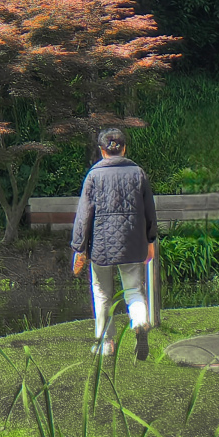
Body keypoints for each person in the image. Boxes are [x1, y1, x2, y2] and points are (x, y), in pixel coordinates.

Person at [70, 127, 158, 360]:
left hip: (101, 244)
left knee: (101, 293)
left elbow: (84, 214)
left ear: (102, 151)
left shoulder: (93, 175)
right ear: (124, 148)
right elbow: (150, 209)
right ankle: (139, 322)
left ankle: (105, 343)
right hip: (133, 243)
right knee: (133, 290)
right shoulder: (138, 173)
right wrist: (150, 240)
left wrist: (79, 247)